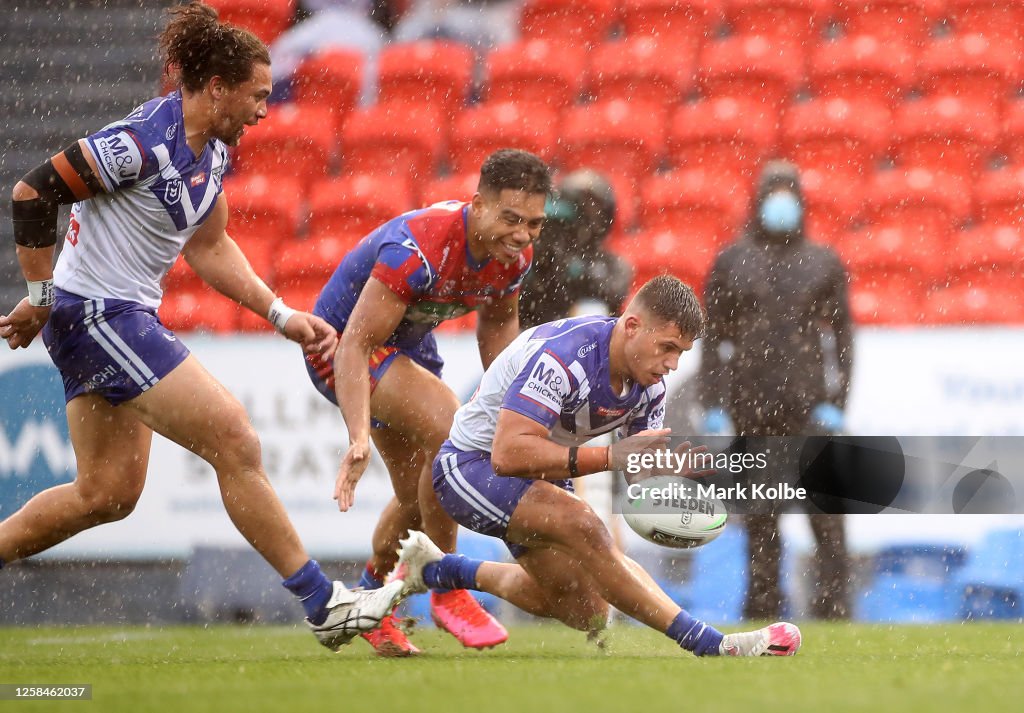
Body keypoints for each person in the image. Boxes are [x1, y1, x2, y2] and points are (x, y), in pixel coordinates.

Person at [0, 1, 405, 651]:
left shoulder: (211, 150)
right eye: (256, 96)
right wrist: (42, 297)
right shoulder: (137, 145)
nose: (264, 110)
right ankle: (323, 603)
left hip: (114, 316)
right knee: (235, 438)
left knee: (105, 495)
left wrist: (279, 313)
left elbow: (210, 246)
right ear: (215, 87)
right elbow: (32, 190)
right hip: (97, 314)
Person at [390, 275, 802, 656]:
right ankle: (708, 642)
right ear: (632, 326)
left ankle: (440, 569)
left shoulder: (649, 388)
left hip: (539, 478)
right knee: (584, 524)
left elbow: (638, 478)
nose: (672, 364)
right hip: (470, 468)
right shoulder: (564, 357)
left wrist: (672, 477)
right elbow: (508, 454)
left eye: (681, 353)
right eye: (668, 347)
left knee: (584, 611)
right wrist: (607, 457)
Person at [304, 148, 551, 655]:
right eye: (511, 218)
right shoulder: (416, 247)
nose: (523, 235)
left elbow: (500, 323)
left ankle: (369, 602)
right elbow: (355, 342)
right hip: (344, 346)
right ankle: (446, 585)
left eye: (534, 223)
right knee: (453, 435)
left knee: (421, 498)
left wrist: (513, 404)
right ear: (477, 205)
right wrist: (357, 433)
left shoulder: (514, 258)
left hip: (408, 346)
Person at [698, 160, 854, 620]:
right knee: (761, 516)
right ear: (759, 199)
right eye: (773, 191)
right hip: (752, 408)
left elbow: (843, 338)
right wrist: (714, 404)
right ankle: (764, 604)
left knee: (825, 514)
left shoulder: (823, 261)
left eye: (788, 191)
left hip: (809, 408)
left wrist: (836, 400)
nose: (780, 200)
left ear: (800, 200)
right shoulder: (731, 260)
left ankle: (834, 605)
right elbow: (713, 340)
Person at [518, 169, 633, 329]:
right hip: (530, 335)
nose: (588, 216)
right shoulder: (537, 251)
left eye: (593, 207)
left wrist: (574, 269)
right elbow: (521, 297)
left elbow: (607, 299)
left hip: (582, 344)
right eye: (579, 205)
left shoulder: (613, 266)